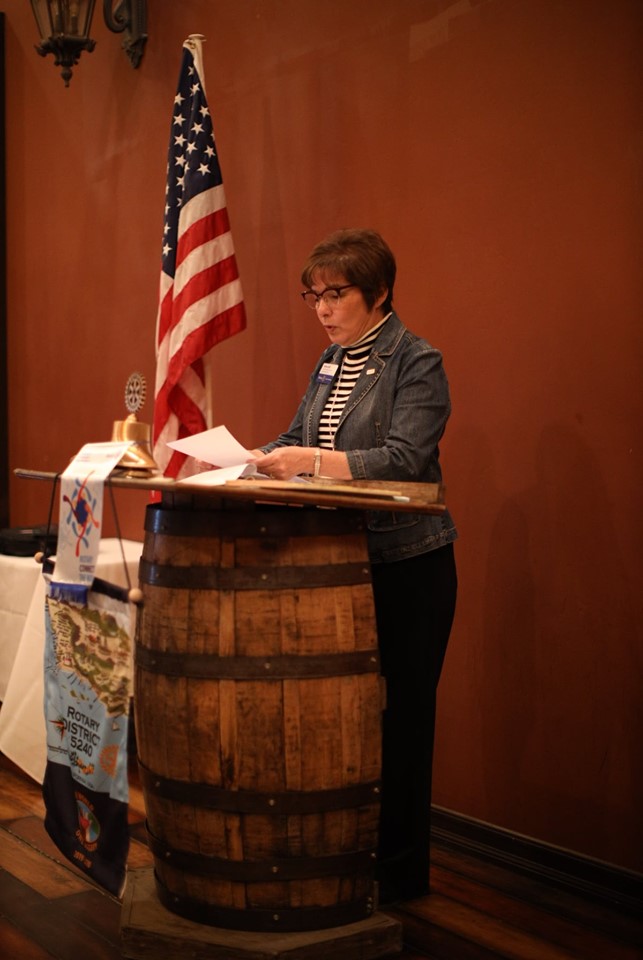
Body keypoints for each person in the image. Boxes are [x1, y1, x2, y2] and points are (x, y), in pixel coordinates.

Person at [251, 228, 458, 903]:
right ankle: (349, 859)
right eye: (313, 296)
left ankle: (399, 875)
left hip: (408, 564)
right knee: (347, 717)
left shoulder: (415, 360)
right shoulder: (330, 362)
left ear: (379, 291)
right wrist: (251, 458)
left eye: (334, 294)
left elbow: (404, 459)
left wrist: (308, 461)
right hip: (341, 563)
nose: (321, 308)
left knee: (403, 719)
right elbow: (297, 436)